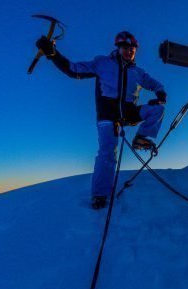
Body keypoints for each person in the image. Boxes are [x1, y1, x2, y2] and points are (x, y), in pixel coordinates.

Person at [35, 31, 167, 209]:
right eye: (126, 48)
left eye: (133, 49)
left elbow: (156, 85)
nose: (130, 52)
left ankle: (141, 138)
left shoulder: (138, 72)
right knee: (108, 152)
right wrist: (53, 54)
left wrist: (160, 94)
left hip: (127, 113)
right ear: (118, 48)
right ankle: (100, 195)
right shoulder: (102, 63)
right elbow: (73, 70)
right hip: (107, 115)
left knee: (157, 109)